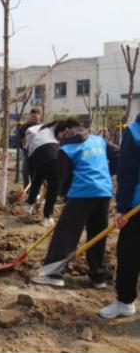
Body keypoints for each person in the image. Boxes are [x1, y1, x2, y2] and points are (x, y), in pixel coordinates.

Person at [31, 120, 115, 289]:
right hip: (104, 191)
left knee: (65, 233)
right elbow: (118, 154)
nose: (59, 139)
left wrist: (65, 195)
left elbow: (64, 178)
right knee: (97, 234)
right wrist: (106, 172)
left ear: (66, 131)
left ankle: (53, 273)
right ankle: (98, 276)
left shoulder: (66, 149)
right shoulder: (98, 140)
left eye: (59, 135)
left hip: (82, 193)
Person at [98, 111, 140, 320]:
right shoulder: (135, 133)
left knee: (129, 254)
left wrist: (122, 208)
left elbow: (126, 172)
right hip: (136, 206)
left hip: (135, 208)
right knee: (129, 254)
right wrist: (123, 208)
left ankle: (125, 301)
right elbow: (127, 172)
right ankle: (125, 301)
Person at [23, 120, 60, 228]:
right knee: (53, 189)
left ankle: (29, 205)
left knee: (36, 181)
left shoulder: (33, 132)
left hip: (40, 158)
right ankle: (47, 217)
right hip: (53, 157)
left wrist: (34, 175)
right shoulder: (48, 131)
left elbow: (30, 159)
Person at [17, 108, 42, 194]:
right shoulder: (25, 127)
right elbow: (19, 138)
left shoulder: (43, 127)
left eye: (36, 116)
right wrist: (22, 141)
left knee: (36, 173)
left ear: (39, 116)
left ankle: (36, 191)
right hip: (27, 152)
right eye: (33, 116)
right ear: (30, 117)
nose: (34, 118)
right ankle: (27, 190)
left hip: (39, 153)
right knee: (25, 171)